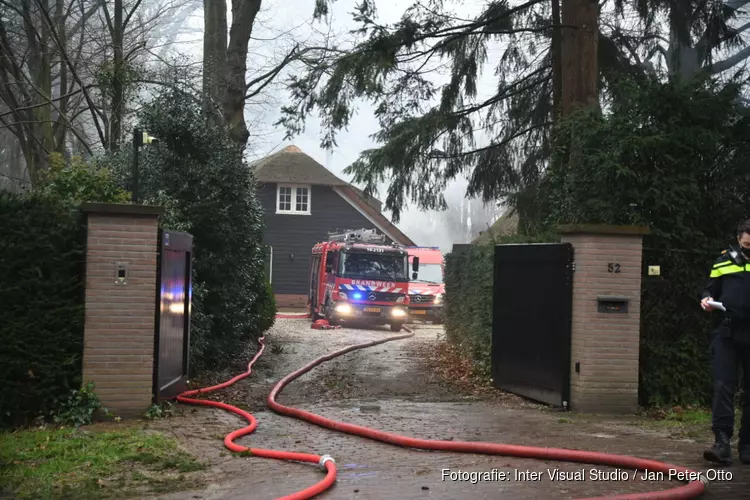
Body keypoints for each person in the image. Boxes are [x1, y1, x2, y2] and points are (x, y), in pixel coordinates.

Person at [700, 219, 750, 465]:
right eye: (747, 244)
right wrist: (707, 299)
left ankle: (748, 444)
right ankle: (721, 443)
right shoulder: (723, 261)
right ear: (740, 238)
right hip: (727, 333)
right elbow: (710, 289)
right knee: (723, 387)